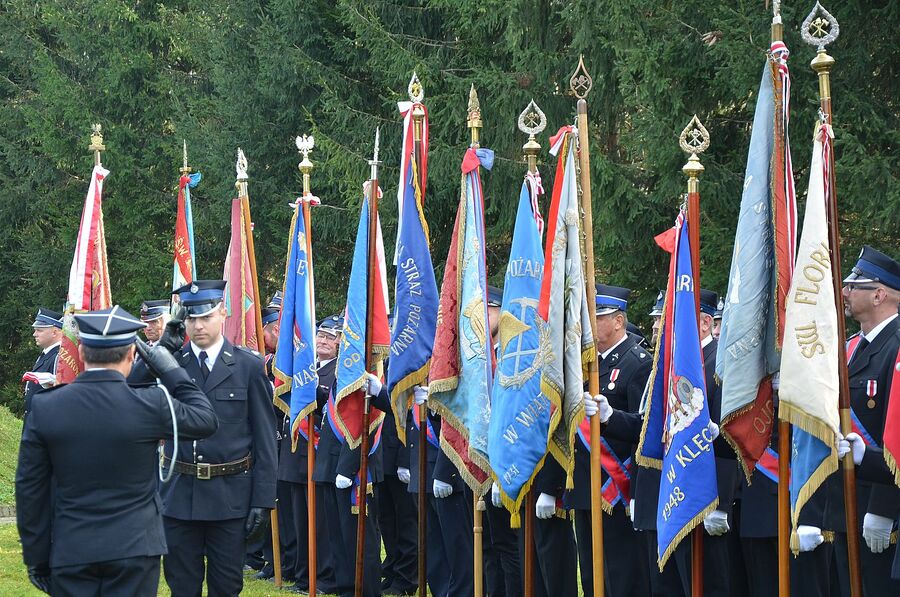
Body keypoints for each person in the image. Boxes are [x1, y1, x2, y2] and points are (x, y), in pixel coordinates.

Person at [16, 306, 218, 596]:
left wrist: (36, 558)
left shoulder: (47, 406)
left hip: (73, 546)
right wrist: (170, 369)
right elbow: (205, 419)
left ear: (81, 351)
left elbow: (30, 490)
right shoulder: (150, 404)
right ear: (132, 354)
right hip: (135, 548)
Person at [146, 280, 278, 597]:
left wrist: (262, 500)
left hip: (229, 497)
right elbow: (137, 399)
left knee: (226, 586)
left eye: (206, 317)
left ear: (223, 313)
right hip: (179, 495)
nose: (198, 326)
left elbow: (264, 439)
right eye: (191, 319)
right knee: (182, 586)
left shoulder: (248, 366)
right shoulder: (171, 363)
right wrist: (161, 350)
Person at [826, 246, 900, 596]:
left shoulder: (896, 345)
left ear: (879, 294)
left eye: (854, 285)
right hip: (845, 502)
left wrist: (883, 508)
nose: (845, 292)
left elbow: (896, 432)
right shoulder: (853, 346)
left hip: (878, 507)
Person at [571, 284, 651, 597]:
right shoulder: (588, 363)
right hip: (587, 484)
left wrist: (610, 417)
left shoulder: (638, 362)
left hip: (618, 489)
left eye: (597, 316)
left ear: (618, 321)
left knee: (622, 575)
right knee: (593, 575)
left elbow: (643, 430)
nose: (590, 323)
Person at [279, 315, 342, 594]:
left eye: (331, 337)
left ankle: (324, 577)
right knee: (299, 523)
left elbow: (330, 409)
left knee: (320, 525)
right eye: (321, 335)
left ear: (340, 343)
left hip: (317, 456)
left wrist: (310, 387)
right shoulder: (307, 366)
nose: (324, 341)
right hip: (296, 456)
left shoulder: (338, 372)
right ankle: (303, 576)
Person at [483, 285, 523, 597]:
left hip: (510, 462)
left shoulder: (514, 357)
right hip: (483, 459)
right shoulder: (481, 358)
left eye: (488, 310)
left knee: (511, 546)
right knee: (489, 543)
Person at [23, 308, 63, 417]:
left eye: (39, 330)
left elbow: (58, 394)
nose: (34, 334)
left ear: (54, 332)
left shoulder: (59, 356)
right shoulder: (47, 354)